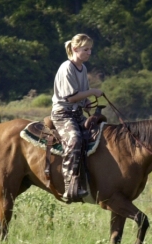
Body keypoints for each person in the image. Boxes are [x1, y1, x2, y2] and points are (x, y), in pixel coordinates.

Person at [51, 33, 103, 200]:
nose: (89, 53)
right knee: (74, 139)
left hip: (76, 112)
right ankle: (70, 184)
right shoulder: (67, 67)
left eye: (90, 50)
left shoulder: (83, 68)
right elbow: (71, 97)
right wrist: (93, 92)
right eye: (85, 49)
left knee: (99, 134)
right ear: (74, 49)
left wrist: (87, 102)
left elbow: (81, 97)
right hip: (63, 114)